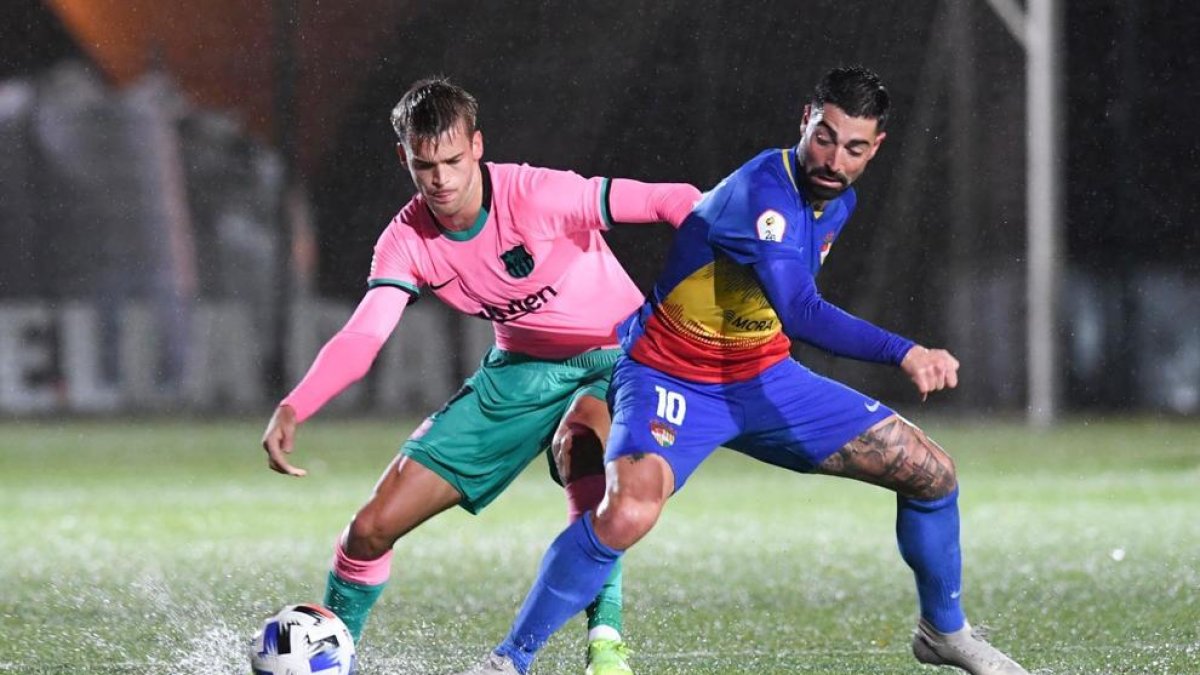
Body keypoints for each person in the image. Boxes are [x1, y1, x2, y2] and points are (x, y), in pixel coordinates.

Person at [456, 66, 1029, 675]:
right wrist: (904, 351)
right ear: (804, 118)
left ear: (876, 147)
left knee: (932, 473)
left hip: (764, 380)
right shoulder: (765, 191)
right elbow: (801, 311)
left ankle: (944, 634)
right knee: (626, 513)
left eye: (855, 147)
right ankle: (507, 662)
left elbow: (772, 316)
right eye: (825, 137)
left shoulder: (837, 201)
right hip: (668, 376)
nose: (835, 159)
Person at [260, 76, 700, 675]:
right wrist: (296, 404)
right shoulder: (406, 240)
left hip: (614, 356)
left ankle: (605, 643)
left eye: (452, 160)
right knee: (368, 529)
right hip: (515, 375)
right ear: (405, 158)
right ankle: (335, 658)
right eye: (425, 165)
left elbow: (670, 199)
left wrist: (732, 247)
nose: (441, 179)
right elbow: (366, 334)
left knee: (583, 449)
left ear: (477, 147)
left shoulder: (538, 194)